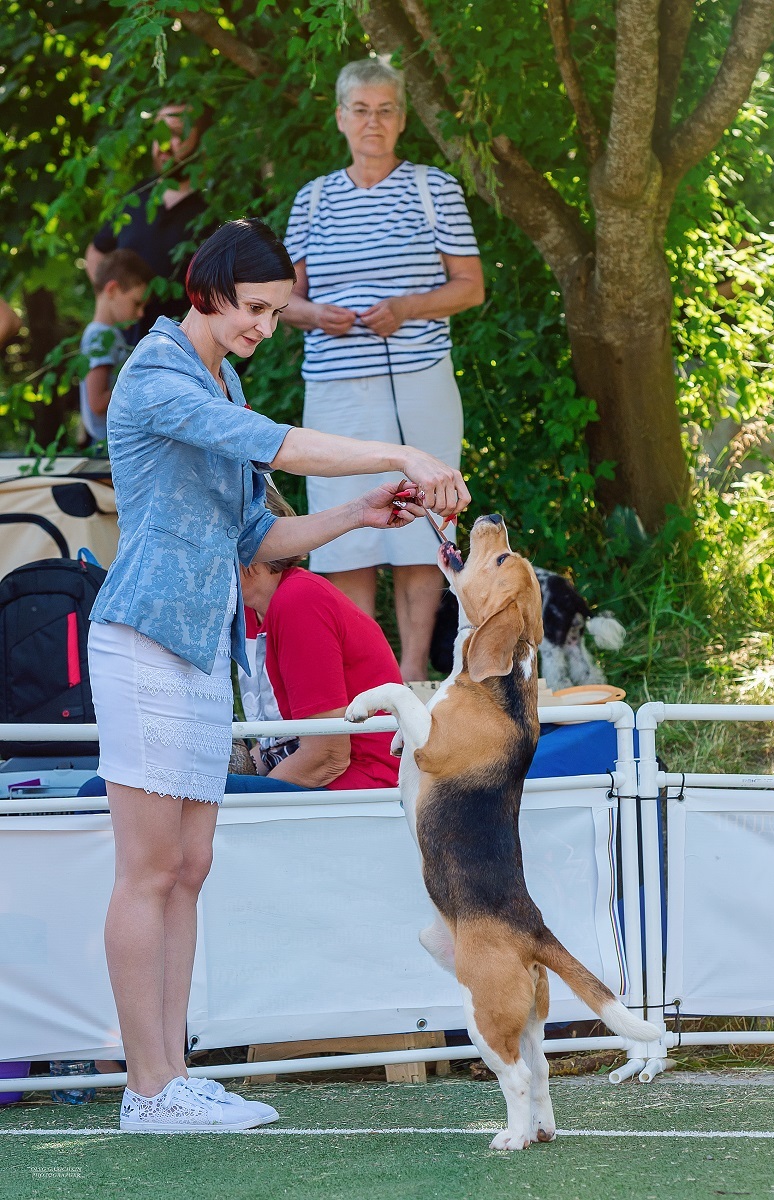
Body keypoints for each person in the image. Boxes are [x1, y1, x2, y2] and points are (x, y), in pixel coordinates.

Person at [87, 217, 469, 1133]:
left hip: (195, 649)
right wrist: (402, 454)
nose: (266, 324)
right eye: (256, 309)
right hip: (142, 636)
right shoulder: (158, 373)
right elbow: (281, 444)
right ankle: (148, 1091)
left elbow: (259, 537)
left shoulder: (223, 371)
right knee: (147, 870)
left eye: (274, 310)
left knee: (190, 864)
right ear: (207, 292)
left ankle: (170, 1077)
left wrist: (362, 513)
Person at [281, 58, 484, 682]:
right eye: (361, 110)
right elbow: (280, 299)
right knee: (346, 528)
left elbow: (470, 287)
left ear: (402, 119)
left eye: (386, 110)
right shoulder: (312, 199)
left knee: (422, 523)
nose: (374, 121)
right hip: (336, 388)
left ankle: (414, 675)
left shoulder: (433, 188)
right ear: (341, 117)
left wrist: (407, 308)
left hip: (419, 382)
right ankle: (363, 683)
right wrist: (317, 314)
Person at [239, 485, 403, 792]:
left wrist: (251, 798)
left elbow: (327, 757)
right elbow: (277, 746)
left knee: (193, 805)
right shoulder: (252, 611)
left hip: (365, 782)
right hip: (321, 776)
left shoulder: (299, 601)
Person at [86, 103, 211, 343]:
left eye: (176, 134)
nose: (163, 144)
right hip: (127, 348)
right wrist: (112, 307)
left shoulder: (213, 208)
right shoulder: (137, 197)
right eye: (158, 134)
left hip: (185, 353)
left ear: (201, 140)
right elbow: (96, 252)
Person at [79, 249, 154, 444]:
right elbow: (97, 402)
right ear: (112, 290)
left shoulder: (105, 333)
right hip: (108, 445)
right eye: (136, 303)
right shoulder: (101, 337)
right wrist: (146, 385)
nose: (140, 314)